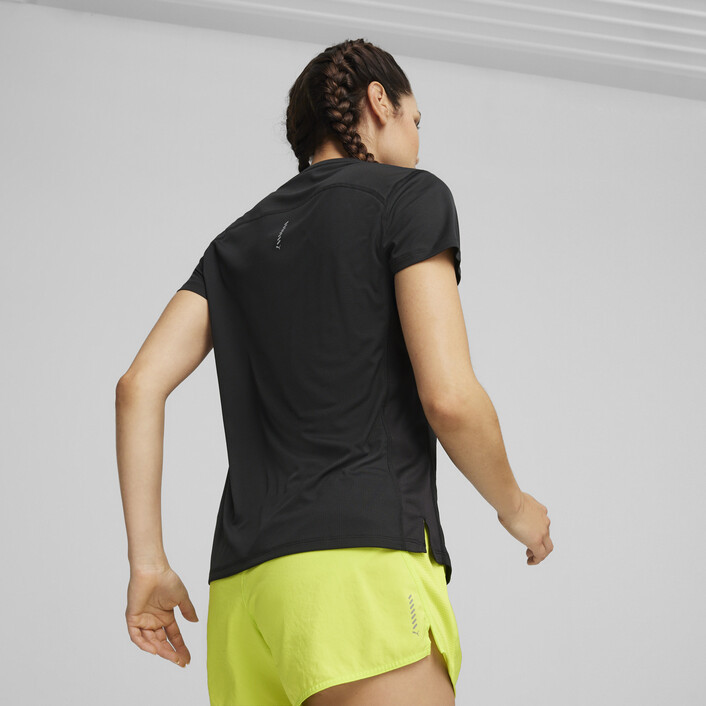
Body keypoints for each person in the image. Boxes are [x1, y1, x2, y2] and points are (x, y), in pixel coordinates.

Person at [115, 37, 553, 706]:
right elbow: (449, 397)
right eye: (415, 119)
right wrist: (517, 508)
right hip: (358, 576)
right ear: (380, 102)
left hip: (244, 598)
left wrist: (148, 564)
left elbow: (138, 386)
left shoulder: (234, 243)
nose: (417, 141)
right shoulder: (410, 197)